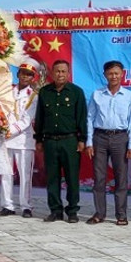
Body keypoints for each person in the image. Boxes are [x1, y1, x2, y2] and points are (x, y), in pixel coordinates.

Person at [85, 60, 131, 226]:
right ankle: (99, 213)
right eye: (110, 73)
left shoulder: (129, 96)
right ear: (105, 75)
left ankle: (121, 215)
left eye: (117, 73)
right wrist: (89, 142)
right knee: (99, 177)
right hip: (99, 138)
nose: (114, 76)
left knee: (120, 178)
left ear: (122, 74)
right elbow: (90, 118)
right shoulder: (97, 94)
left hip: (120, 138)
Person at [34, 59, 87, 223]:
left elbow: (82, 117)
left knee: (72, 177)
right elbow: (40, 117)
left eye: (64, 71)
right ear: (52, 73)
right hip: (50, 141)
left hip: (70, 141)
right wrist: (39, 139)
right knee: (52, 177)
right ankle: (55, 210)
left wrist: (82, 139)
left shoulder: (76, 92)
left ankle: (72, 211)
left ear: (68, 73)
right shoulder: (44, 92)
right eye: (57, 71)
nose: (60, 74)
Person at [0, 59, 38, 218]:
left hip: (24, 140)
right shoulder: (7, 91)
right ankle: (7, 205)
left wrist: (10, 130)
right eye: (23, 73)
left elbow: (27, 119)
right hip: (5, 139)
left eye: (29, 75)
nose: (25, 77)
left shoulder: (34, 96)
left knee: (25, 175)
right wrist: (1, 127)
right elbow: (0, 111)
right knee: (6, 173)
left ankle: (26, 206)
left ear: (33, 77)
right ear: (18, 74)